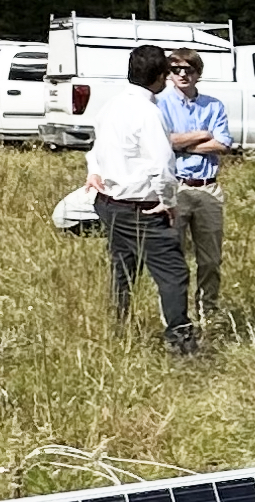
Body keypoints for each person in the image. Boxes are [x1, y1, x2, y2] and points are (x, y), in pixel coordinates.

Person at [82, 43, 196, 355]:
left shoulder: (112, 105)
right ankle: (180, 342)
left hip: (108, 203)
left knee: (123, 268)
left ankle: (119, 330)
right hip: (141, 207)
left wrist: (94, 171)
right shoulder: (149, 113)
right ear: (161, 76)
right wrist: (169, 201)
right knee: (173, 273)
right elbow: (162, 164)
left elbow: (97, 145)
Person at [157, 48, 233, 318]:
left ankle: (208, 313)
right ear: (168, 74)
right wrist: (201, 135)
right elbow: (163, 141)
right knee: (173, 258)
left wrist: (182, 144)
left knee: (210, 259)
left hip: (207, 187)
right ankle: (175, 317)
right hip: (175, 187)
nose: (182, 74)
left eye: (188, 69)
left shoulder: (213, 105)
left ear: (198, 73)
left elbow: (223, 143)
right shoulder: (159, 103)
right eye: (176, 70)